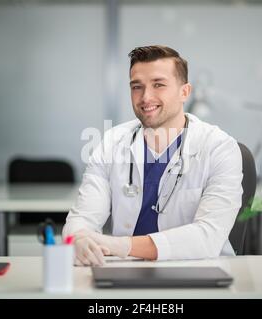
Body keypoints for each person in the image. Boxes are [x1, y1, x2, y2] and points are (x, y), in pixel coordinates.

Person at [62, 45, 243, 266]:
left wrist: (121, 246)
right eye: (137, 87)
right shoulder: (111, 143)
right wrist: (79, 237)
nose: (146, 97)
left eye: (159, 85)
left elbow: (207, 237)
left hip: (199, 271)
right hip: (124, 272)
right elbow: (82, 217)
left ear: (184, 92)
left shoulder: (219, 147)